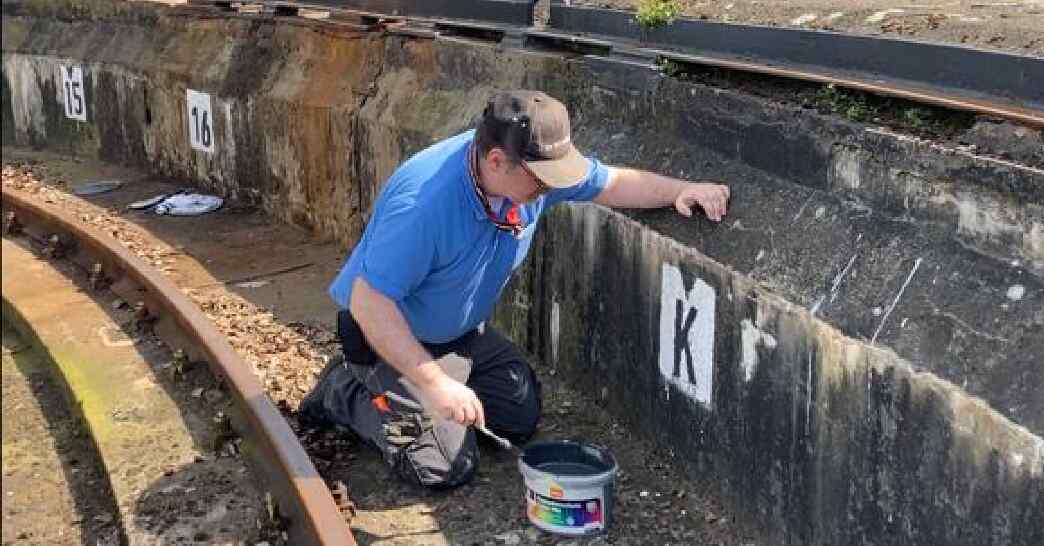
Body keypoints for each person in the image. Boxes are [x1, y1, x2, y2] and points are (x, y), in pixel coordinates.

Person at [298, 89, 730, 489]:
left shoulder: (532, 172)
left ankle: (440, 380)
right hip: (386, 336)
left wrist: (683, 190)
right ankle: (346, 391)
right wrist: (435, 383)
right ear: (496, 161)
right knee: (441, 464)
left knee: (518, 415)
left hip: (458, 335)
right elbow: (369, 302)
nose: (551, 187)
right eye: (541, 179)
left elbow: (612, 183)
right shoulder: (423, 205)